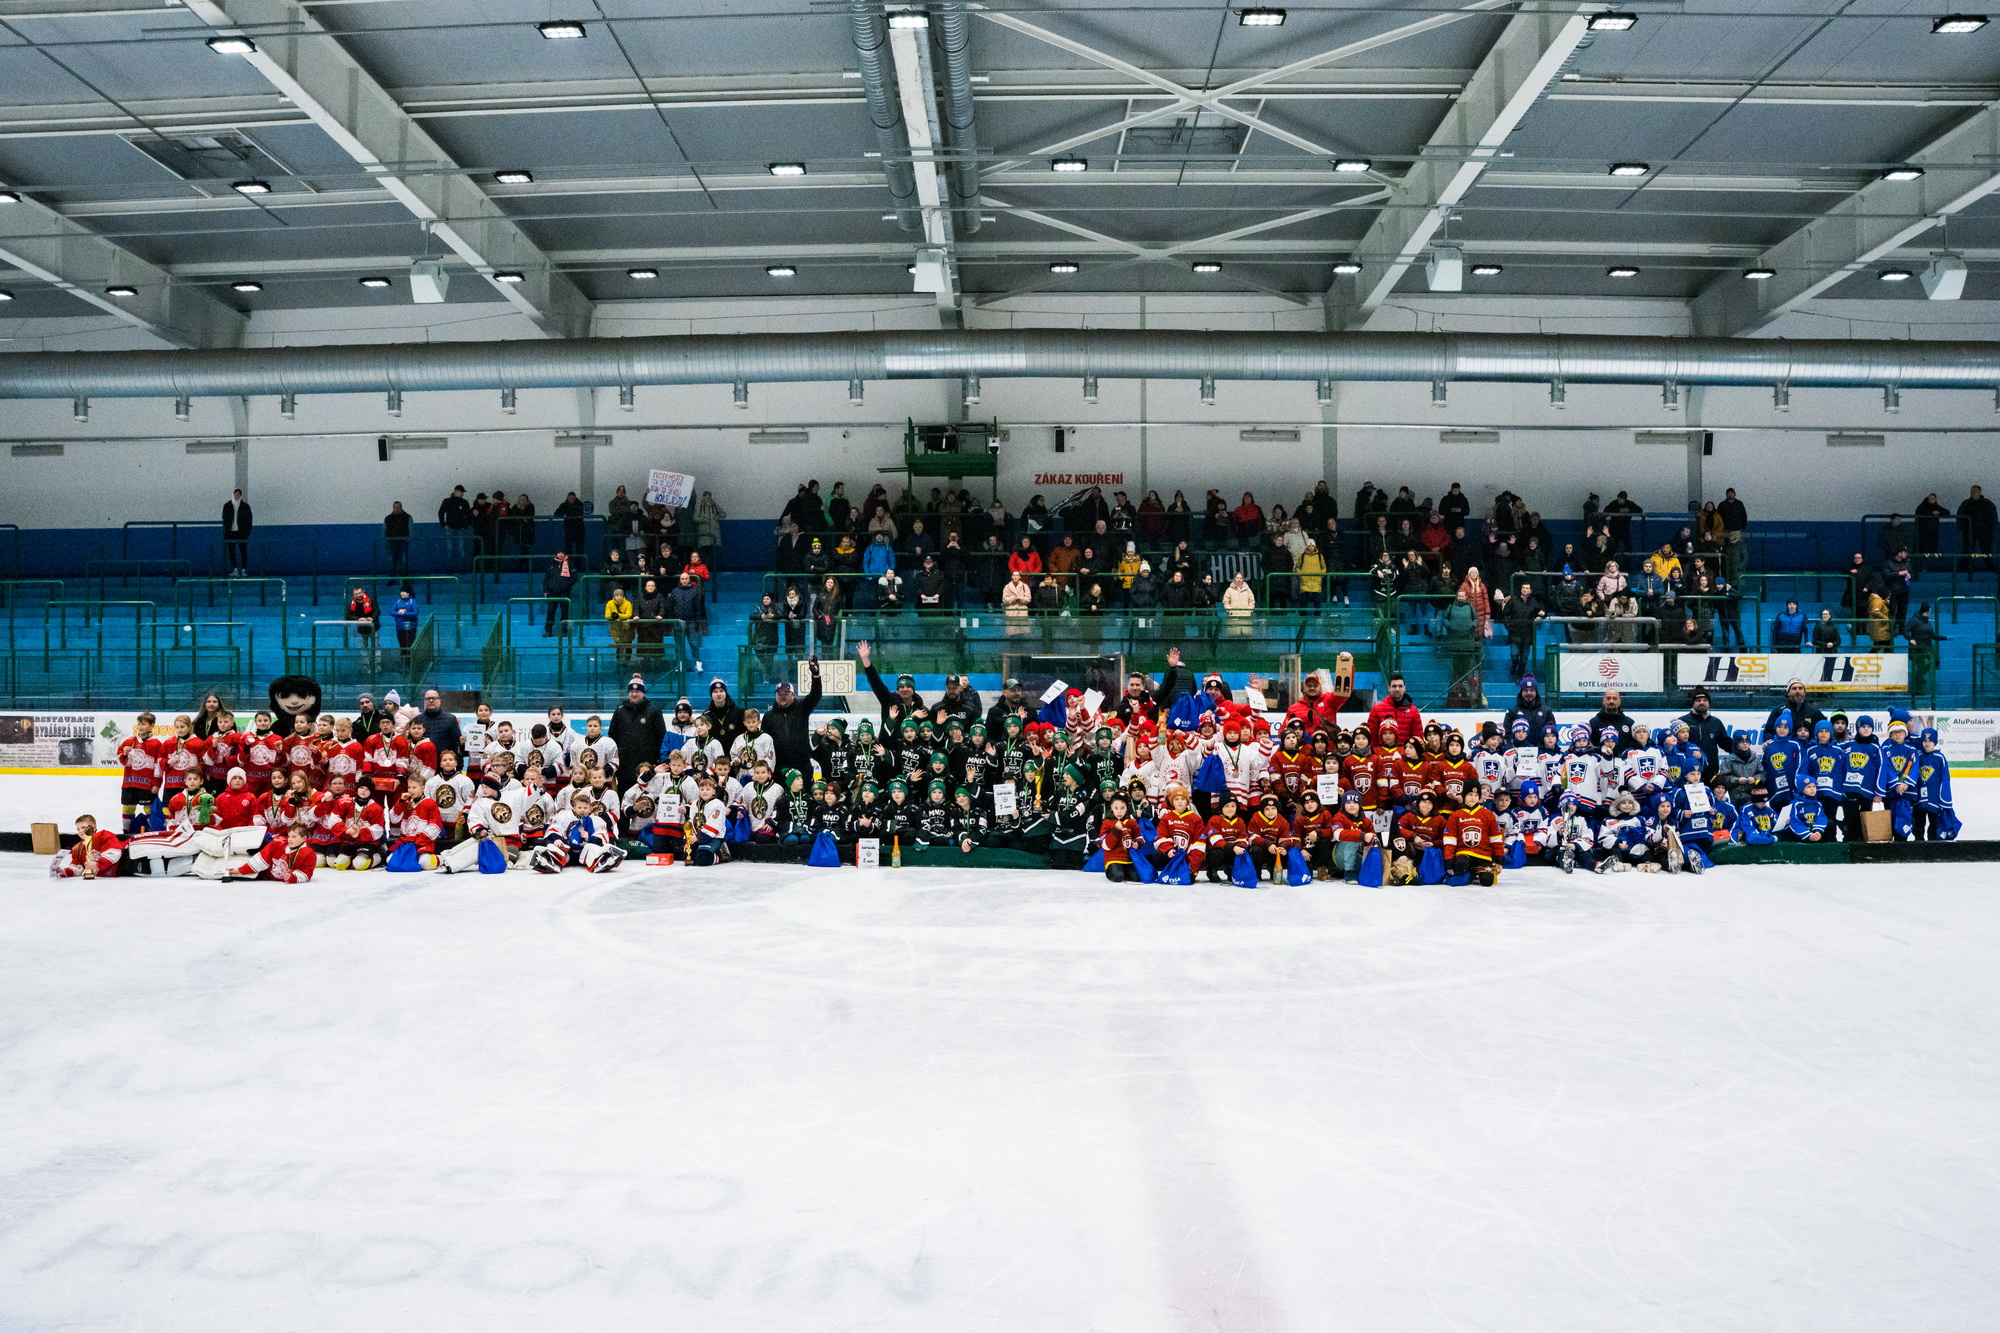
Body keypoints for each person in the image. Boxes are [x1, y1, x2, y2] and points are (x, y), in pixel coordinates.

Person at [663, 570, 708, 670]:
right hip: (677, 622)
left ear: (689, 580)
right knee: (679, 645)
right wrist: (671, 621)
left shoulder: (694, 592)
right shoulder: (675, 591)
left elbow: (698, 608)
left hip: (691, 622)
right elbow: (670, 607)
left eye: (686, 579)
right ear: (680, 580)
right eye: (682, 579)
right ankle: (680, 663)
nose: (684, 580)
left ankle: (697, 662)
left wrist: (697, 622)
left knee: (693, 643)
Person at [1957, 484, 1996, 570]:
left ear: (1980, 492)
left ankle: (1991, 569)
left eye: (1975, 491)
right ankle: (1962, 570)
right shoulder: (1965, 504)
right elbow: (1959, 517)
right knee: (1967, 551)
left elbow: (1993, 518)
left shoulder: (1988, 504)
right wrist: (1963, 529)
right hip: (1969, 532)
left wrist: (1990, 530)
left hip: (1985, 532)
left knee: (1986, 551)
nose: (1973, 493)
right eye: (1972, 491)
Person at [542, 553, 576, 637]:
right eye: (559, 553)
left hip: (564, 592)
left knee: (565, 612)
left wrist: (567, 585)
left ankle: (564, 631)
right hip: (552, 592)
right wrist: (546, 590)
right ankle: (548, 631)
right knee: (550, 612)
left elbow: (575, 577)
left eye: (562, 553)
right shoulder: (551, 564)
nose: (560, 555)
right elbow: (546, 578)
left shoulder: (570, 564)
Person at [222, 488, 252, 577]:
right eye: (236, 494)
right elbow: (224, 518)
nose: (237, 495)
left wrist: (247, 533)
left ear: (241, 495)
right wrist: (226, 530)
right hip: (230, 532)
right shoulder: (227, 505)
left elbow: (249, 520)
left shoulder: (245, 506)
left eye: (239, 494)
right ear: (233, 494)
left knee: (243, 551)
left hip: (241, 532)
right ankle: (235, 569)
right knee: (231, 551)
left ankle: (243, 570)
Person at [391, 585, 420, 661]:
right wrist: (399, 612)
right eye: (401, 592)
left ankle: (410, 663)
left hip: (411, 627)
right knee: (402, 645)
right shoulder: (398, 601)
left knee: (409, 645)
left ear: (408, 593)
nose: (402, 593)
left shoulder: (412, 601)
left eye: (404, 592)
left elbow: (415, 613)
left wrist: (405, 613)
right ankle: (403, 663)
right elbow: (392, 612)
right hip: (400, 627)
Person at [384, 501, 412, 578]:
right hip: (391, 543)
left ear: (401, 507)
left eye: (397, 507)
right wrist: (387, 541)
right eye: (394, 507)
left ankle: (404, 579)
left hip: (403, 542)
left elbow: (410, 529)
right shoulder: (388, 518)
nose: (396, 509)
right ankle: (392, 578)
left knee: (403, 561)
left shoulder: (407, 517)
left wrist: (407, 540)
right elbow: (385, 530)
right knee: (392, 562)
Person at [556, 491, 587, 556]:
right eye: (570, 498)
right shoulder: (564, 505)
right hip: (569, 530)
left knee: (579, 549)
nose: (571, 499)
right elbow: (557, 513)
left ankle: (578, 565)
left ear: (575, 498)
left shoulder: (579, 504)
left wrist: (566, 512)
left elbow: (577, 513)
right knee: (568, 548)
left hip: (578, 530)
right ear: (567, 497)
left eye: (572, 498)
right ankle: (568, 564)